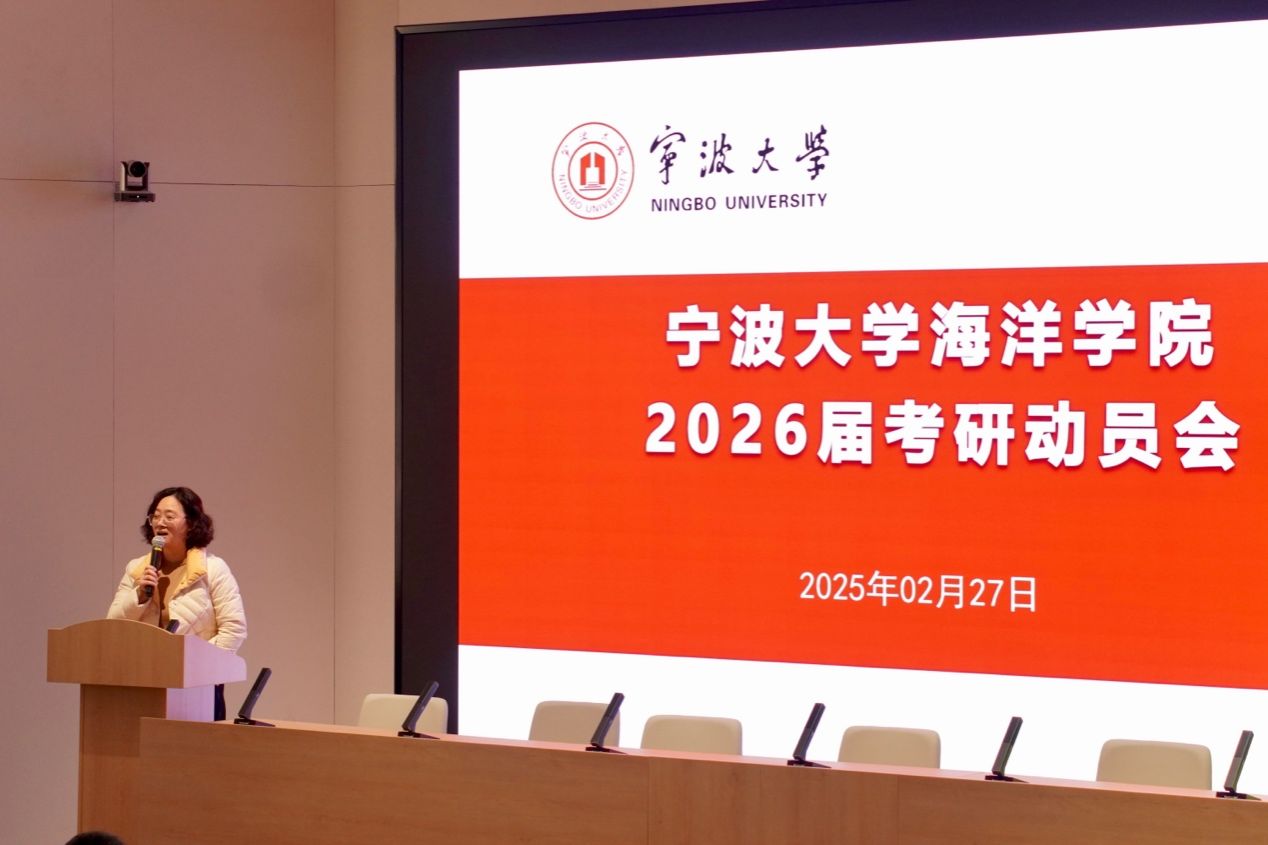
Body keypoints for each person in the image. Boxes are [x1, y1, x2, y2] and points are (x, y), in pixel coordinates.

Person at [107, 486, 247, 720]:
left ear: (191, 523)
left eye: (169, 516)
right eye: (155, 516)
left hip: (199, 687)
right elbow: (113, 625)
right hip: (145, 682)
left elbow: (234, 629)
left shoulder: (213, 569)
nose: (160, 523)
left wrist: (195, 667)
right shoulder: (137, 570)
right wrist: (139, 596)